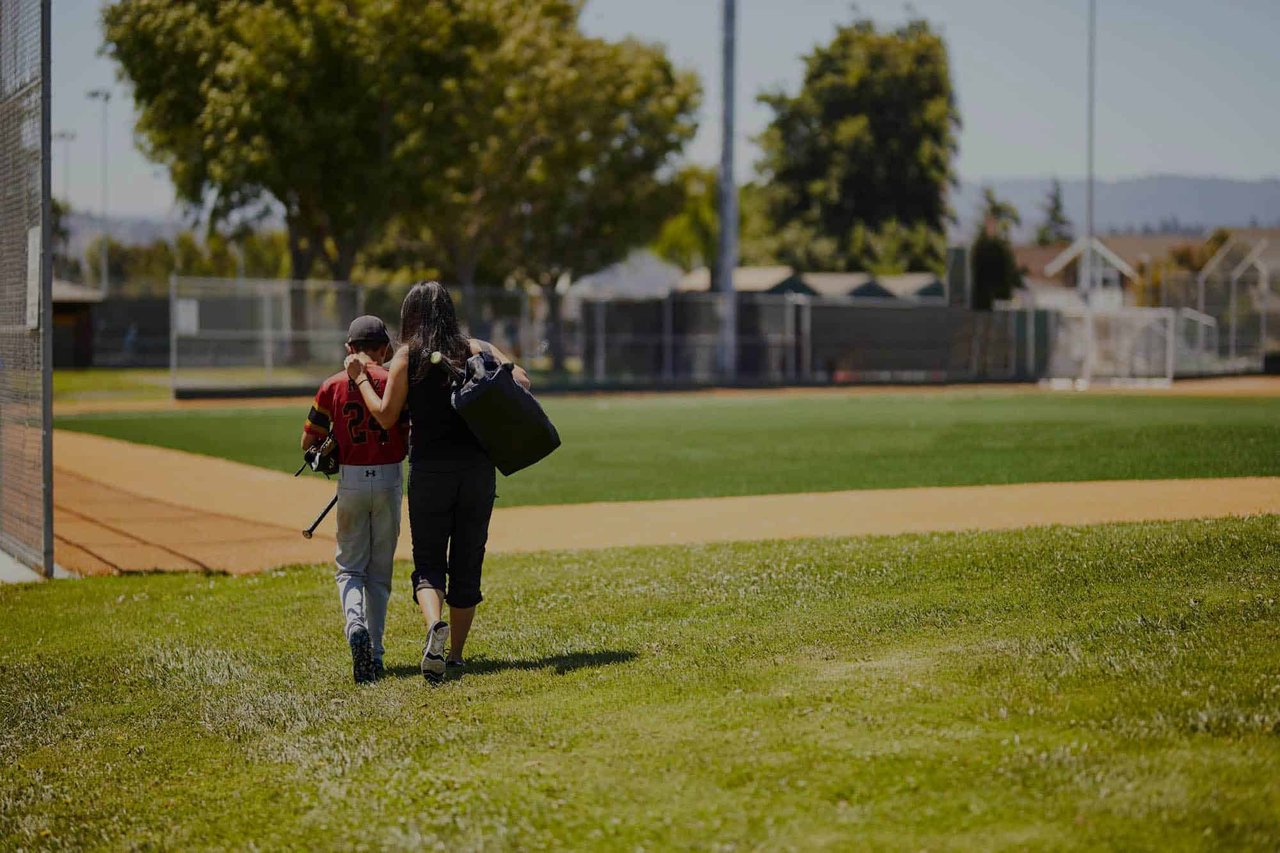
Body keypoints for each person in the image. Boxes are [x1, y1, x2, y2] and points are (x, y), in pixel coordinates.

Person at [345, 281, 530, 683]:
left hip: (430, 472)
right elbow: (523, 382)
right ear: (449, 311)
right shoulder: (476, 348)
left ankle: (434, 628)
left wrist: (360, 379)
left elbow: (386, 415)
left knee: (429, 561)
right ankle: (458, 656)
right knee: (468, 560)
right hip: (478, 472)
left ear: (410, 316)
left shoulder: (406, 357)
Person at [303, 315, 408, 684]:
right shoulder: (394, 379)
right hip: (389, 479)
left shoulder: (331, 385)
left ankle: (355, 629)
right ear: (384, 349)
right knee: (379, 575)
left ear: (349, 349)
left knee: (349, 569)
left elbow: (309, 445)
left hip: (349, 482)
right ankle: (375, 655)